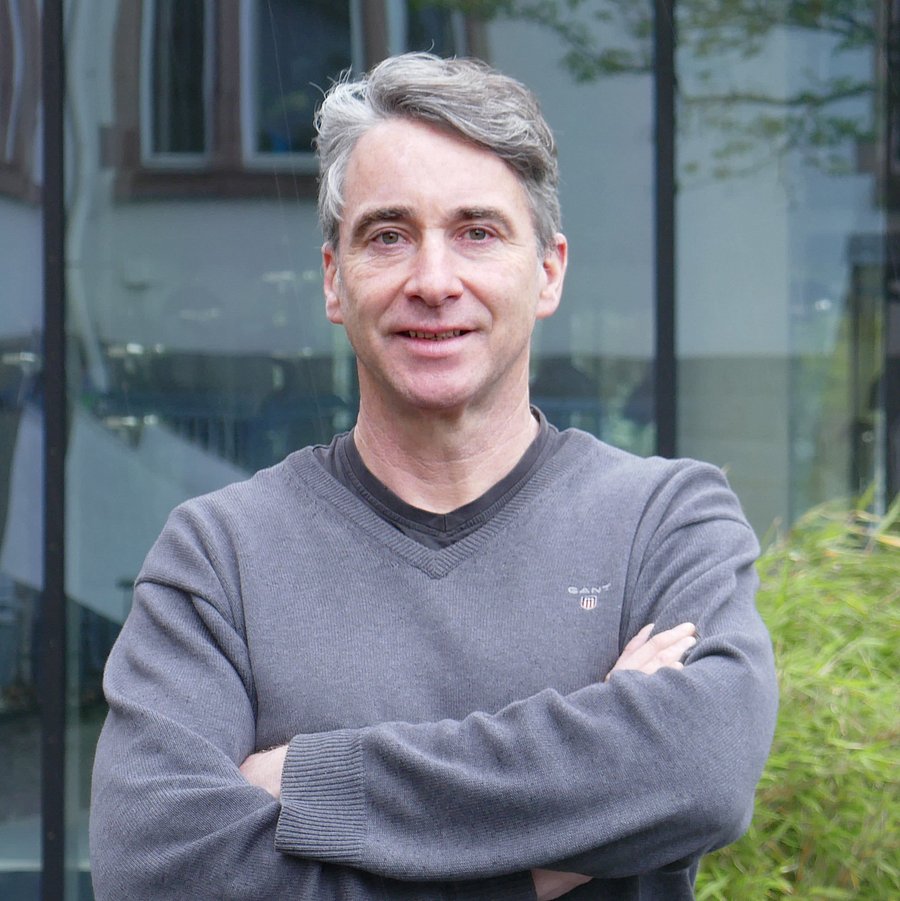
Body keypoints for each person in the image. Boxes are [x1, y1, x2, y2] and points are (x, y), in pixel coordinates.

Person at [90, 53, 778, 900]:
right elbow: (155, 869)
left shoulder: (663, 522)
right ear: (334, 280)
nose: (433, 281)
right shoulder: (220, 557)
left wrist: (309, 776)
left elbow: (700, 765)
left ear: (549, 271)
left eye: (477, 232)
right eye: (388, 235)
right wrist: (545, 855)